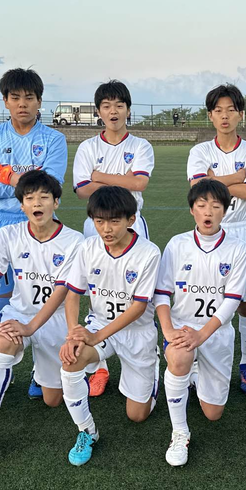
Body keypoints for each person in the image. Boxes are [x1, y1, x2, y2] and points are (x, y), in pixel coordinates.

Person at [0, 170, 83, 466]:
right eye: (29, 198)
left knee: (52, 400)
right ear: (21, 205)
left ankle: (45, 371)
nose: (37, 203)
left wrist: (31, 327)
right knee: (3, 342)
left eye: (44, 197)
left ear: (56, 203)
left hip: (55, 320)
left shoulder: (74, 241)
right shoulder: (8, 234)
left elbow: (62, 292)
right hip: (19, 313)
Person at [0, 68, 67, 400]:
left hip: (43, 227)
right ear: (5, 101)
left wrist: (6, 175)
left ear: (40, 101)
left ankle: (43, 370)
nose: (22, 104)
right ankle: (2, 366)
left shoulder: (53, 139)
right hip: (2, 225)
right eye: (15, 98)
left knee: (44, 296)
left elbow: (51, 186)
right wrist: (25, 183)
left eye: (29, 97)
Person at [56, 186, 162, 466]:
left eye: (114, 221)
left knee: (137, 415)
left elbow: (138, 307)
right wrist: (73, 334)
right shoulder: (87, 247)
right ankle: (86, 431)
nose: (106, 229)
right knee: (71, 359)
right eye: (99, 221)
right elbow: (72, 294)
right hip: (100, 324)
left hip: (137, 332)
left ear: (131, 220)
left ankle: (153, 372)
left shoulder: (148, 252)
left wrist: (95, 336)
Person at [153, 179, 246, 466]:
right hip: (182, 327)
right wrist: (168, 330)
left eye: (216, 206)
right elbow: (162, 293)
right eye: (201, 205)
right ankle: (180, 432)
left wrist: (202, 335)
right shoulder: (177, 244)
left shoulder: (238, 249)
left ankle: (194, 373)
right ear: (192, 210)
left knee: (213, 413)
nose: (208, 212)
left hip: (216, 332)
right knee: (180, 354)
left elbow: (232, 300)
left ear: (225, 211)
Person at [71, 80, 154, 396]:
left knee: (135, 292)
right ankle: (100, 366)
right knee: (97, 289)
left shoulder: (141, 146)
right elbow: (82, 190)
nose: (113, 111)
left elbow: (140, 185)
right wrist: (123, 181)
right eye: (106, 106)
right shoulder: (88, 147)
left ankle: (140, 352)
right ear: (98, 111)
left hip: (131, 225)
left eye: (119, 105)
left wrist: (99, 177)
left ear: (128, 110)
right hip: (95, 225)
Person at [188, 84, 246, 394]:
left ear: (240, 114)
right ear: (210, 115)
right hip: (208, 231)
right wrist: (237, 178)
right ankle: (196, 362)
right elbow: (198, 189)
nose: (224, 116)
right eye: (218, 110)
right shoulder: (199, 151)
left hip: (243, 230)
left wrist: (214, 181)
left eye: (230, 110)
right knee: (204, 295)